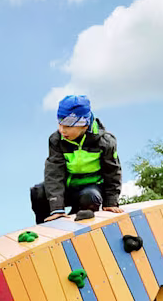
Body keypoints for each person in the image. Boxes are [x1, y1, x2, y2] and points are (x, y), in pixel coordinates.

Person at [30, 95, 123, 224]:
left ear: (84, 125)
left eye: (68, 126)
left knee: (90, 197)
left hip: (91, 188)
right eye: (60, 124)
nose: (62, 130)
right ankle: (45, 228)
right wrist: (57, 208)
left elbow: (112, 172)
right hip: (68, 187)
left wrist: (111, 202)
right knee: (38, 192)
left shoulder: (105, 142)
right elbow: (54, 173)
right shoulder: (56, 140)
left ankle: (79, 223)